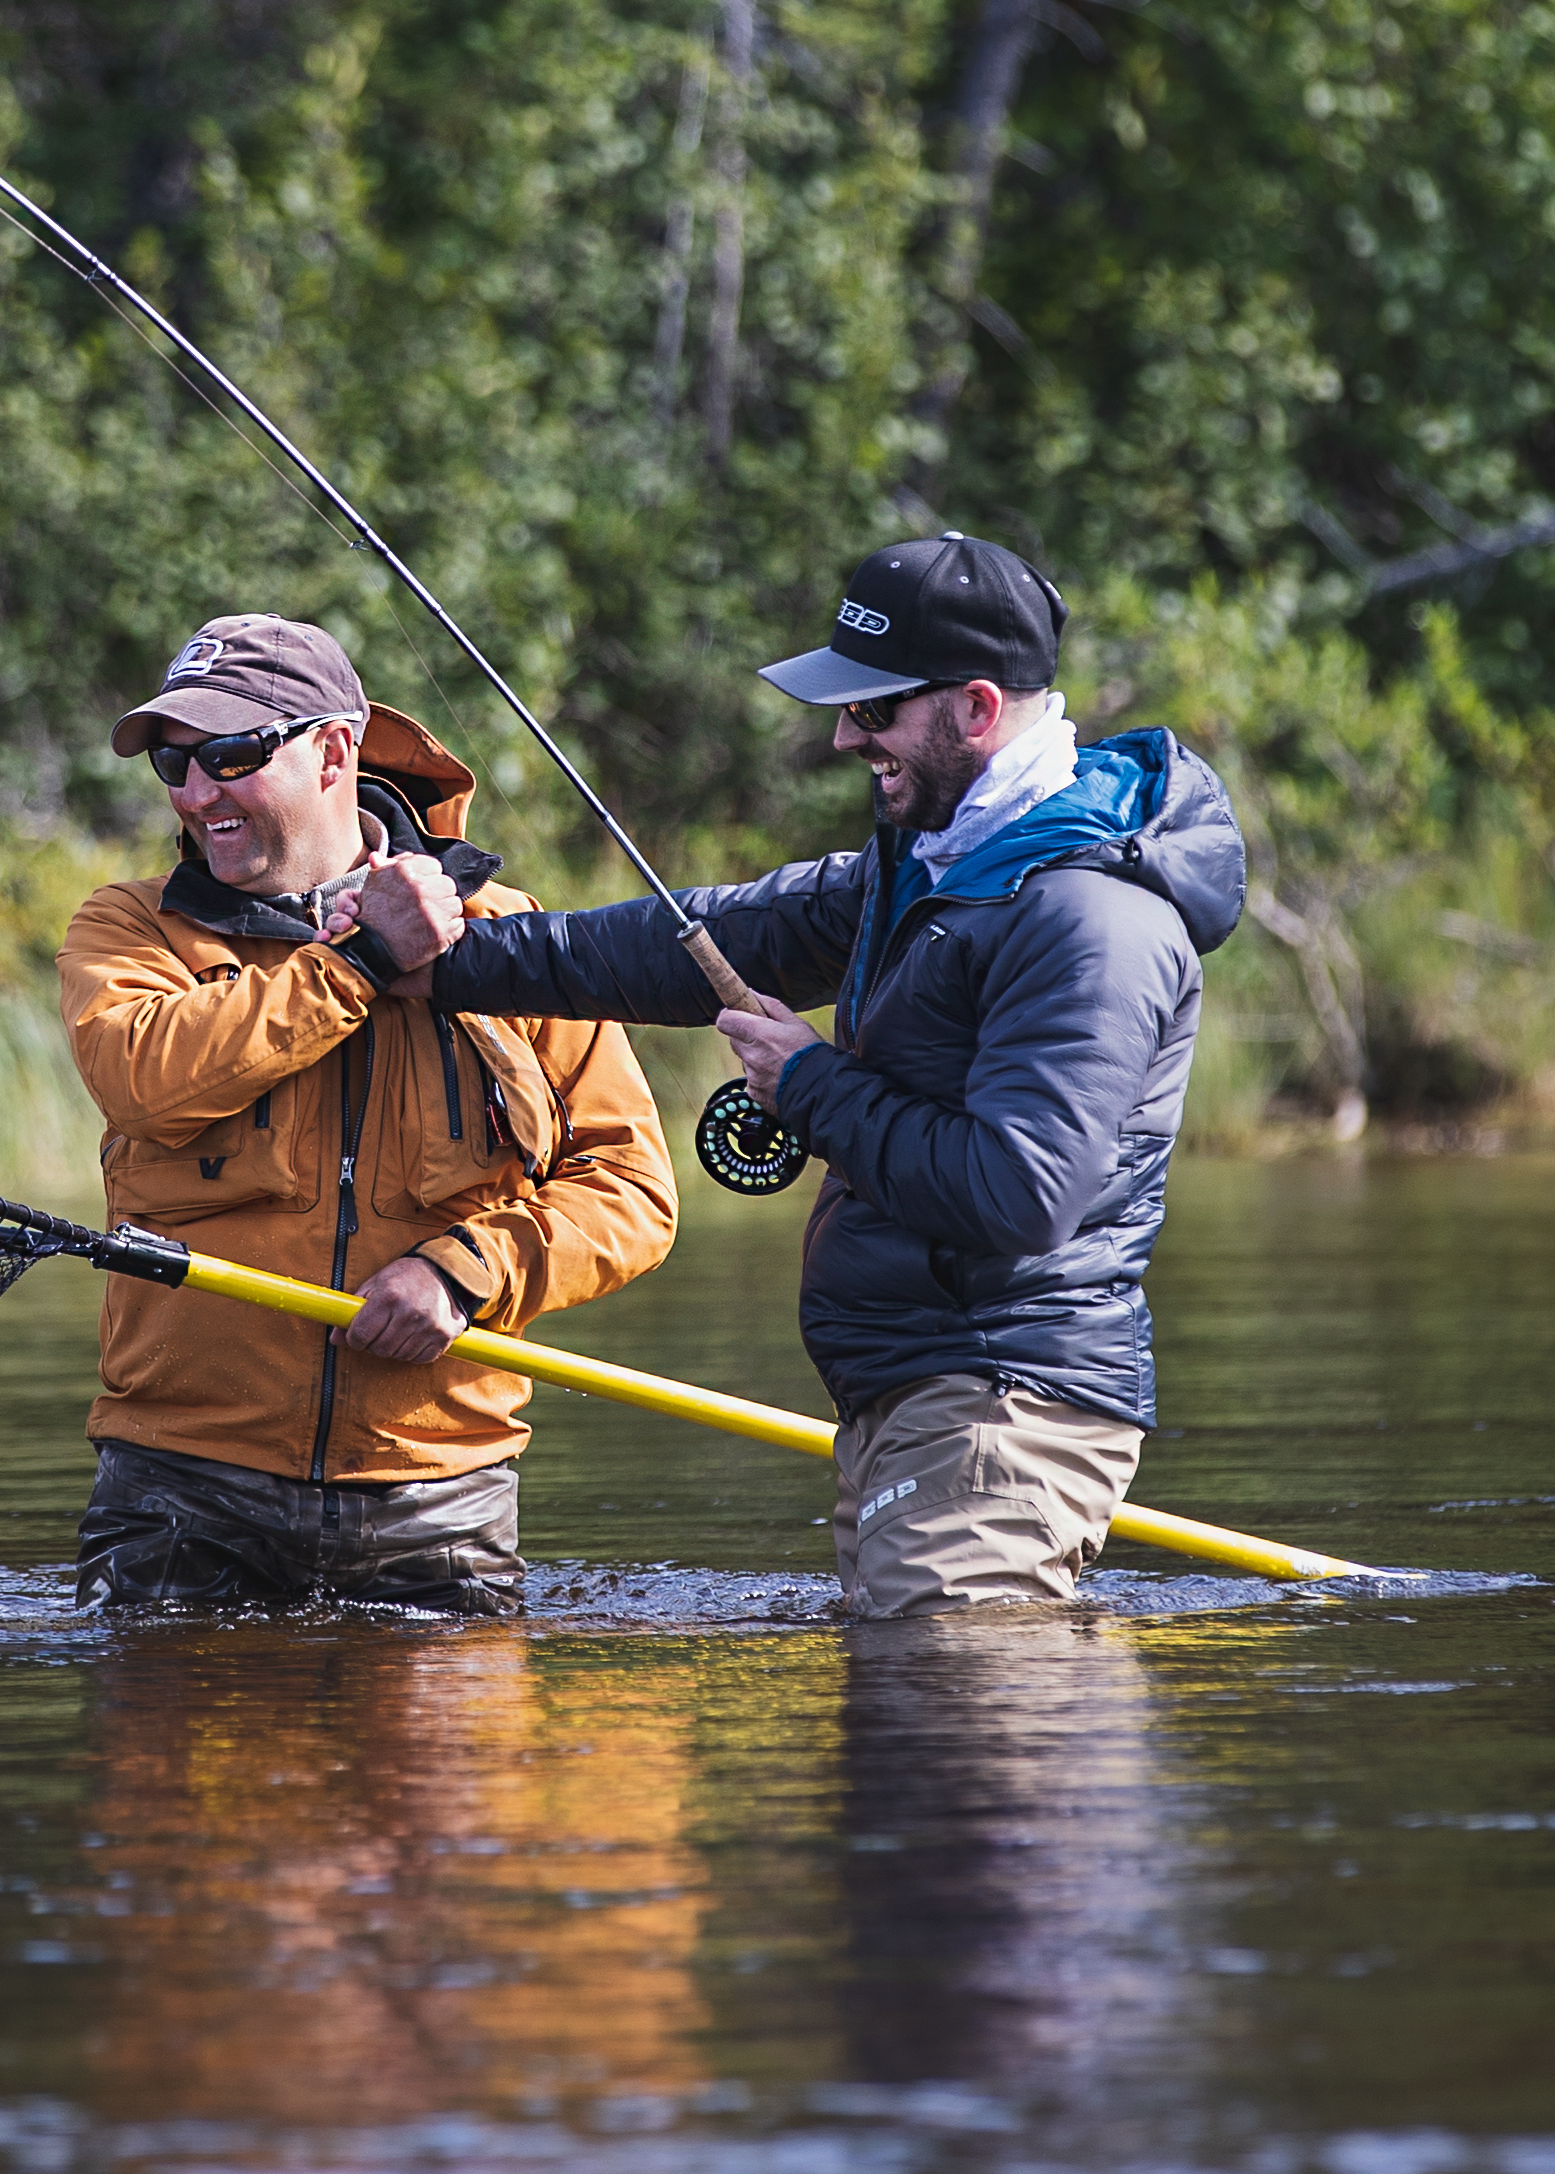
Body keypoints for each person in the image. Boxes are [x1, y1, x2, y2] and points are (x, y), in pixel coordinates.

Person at [352, 533, 1245, 1618]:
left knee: (967, 1740)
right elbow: (688, 939)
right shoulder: (928, 863)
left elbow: (1024, 1193)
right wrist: (445, 964)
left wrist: (812, 1085)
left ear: (973, 708)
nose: (841, 735)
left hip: (1006, 1404)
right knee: (915, 1755)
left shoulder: (1085, 918)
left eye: (872, 710)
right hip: (917, 1400)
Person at [59, 611, 676, 1615]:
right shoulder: (128, 927)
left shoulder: (508, 939)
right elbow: (145, 1078)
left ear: (334, 750)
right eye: (173, 762)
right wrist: (361, 960)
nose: (196, 790)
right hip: (180, 1486)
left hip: (440, 1499)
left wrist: (469, 1269)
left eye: (228, 753)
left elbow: (635, 1191)